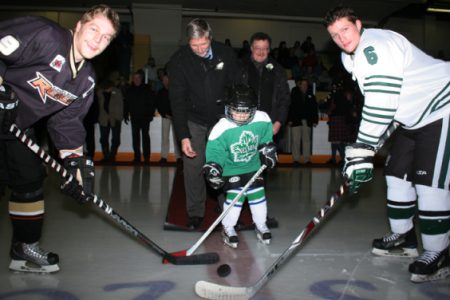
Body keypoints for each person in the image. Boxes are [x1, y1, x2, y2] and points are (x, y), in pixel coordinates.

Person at [324, 5, 450, 283]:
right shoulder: (350, 58)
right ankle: (405, 237)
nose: (341, 38)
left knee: (429, 184)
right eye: (334, 35)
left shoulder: (376, 46)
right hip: (411, 117)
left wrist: (362, 150)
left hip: (441, 108)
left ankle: (438, 252)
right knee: (396, 175)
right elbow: (390, 104)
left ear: (358, 24)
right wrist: (365, 149)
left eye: (345, 29)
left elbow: (382, 103)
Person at [0, 4, 120, 273]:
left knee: (30, 182)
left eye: (106, 37)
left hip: (16, 128)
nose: (98, 40)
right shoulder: (45, 35)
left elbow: (66, 123)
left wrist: (75, 165)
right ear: (78, 25)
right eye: (94, 29)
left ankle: (24, 246)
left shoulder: (86, 81)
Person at [168, 18, 239, 230]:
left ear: (210, 37)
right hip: (193, 119)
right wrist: (183, 136)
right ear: (188, 41)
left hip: (222, 118)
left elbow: (236, 87)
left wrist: (236, 121)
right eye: (194, 45)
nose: (199, 49)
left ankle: (226, 207)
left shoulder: (226, 54)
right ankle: (195, 212)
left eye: (203, 44)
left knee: (224, 164)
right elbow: (177, 101)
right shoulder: (178, 61)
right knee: (193, 166)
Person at [203, 84, 277, 248]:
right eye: (237, 111)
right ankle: (228, 227)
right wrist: (214, 167)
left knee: (259, 198)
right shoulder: (221, 128)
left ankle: (261, 224)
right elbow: (216, 151)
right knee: (235, 200)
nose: (241, 116)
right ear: (228, 108)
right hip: (232, 170)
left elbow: (266, 137)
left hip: (254, 167)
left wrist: (267, 150)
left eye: (245, 111)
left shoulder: (262, 119)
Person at [239, 32, 291, 138]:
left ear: (269, 50)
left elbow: (284, 99)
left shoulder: (278, 70)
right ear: (251, 48)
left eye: (265, 48)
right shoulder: (239, 67)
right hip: (242, 126)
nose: (261, 52)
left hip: (269, 126)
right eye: (258, 48)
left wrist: (278, 122)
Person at [123, 70, 156, 164]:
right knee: (135, 138)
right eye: (134, 78)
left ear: (141, 79)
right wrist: (125, 114)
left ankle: (146, 158)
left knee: (145, 137)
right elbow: (126, 103)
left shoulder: (147, 89)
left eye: (138, 78)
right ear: (133, 79)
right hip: (134, 117)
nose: (136, 80)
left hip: (145, 118)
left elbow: (152, 103)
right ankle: (137, 157)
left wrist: (150, 115)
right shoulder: (129, 90)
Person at [287, 78, 318, 166]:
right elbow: (290, 107)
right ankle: (296, 159)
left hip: (307, 121)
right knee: (295, 140)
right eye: (303, 84)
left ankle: (306, 159)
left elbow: (314, 109)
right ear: (299, 85)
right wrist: (289, 119)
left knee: (307, 141)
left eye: (306, 84)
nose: (304, 86)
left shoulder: (311, 95)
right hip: (296, 120)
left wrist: (315, 120)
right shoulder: (294, 94)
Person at [156, 71, 180, 165]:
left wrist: (175, 115)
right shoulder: (161, 92)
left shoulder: (175, 91)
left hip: (176, 117)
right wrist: (164, 114)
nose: (166, 81)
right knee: (164, 137)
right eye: (164, 80)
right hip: (165, 117)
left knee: (177, 138)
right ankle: (164, 157)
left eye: (167, 80)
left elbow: (179, 104)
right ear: (162, 81)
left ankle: (179, 157)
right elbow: (158, 104)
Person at [97, 78, 124, 163]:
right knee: (103, 139)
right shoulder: (99, 93)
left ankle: (112, 156)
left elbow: (120, 105)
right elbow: (97, 106)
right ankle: (106, 156)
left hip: (115, 118)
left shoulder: (117, 92)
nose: (108, 89)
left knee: (116, 139)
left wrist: (119, 117)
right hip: (103, 119)